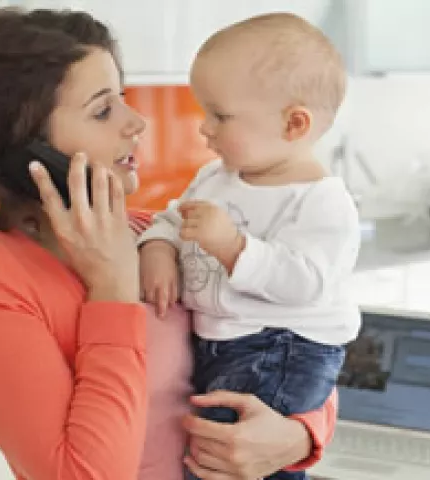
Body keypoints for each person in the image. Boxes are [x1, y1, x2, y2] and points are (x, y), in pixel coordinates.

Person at [0, 8, 335, 480]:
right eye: (103, 110)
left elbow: (297, 340)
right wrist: (113, 290)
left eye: (122, 98)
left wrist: (301, 434)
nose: (137, 122)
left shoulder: (155, 232)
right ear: (24, 147)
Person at [138, 13, 360, 480]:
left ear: (294, 123)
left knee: (224, 461)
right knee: (217, 457)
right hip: (225, 343)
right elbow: (170, 219)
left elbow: (307, 283)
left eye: (220, 115)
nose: (204, 128)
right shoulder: (216, 179)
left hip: (281, 347)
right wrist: (157, 248)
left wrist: (234, 246)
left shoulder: (322, 202)